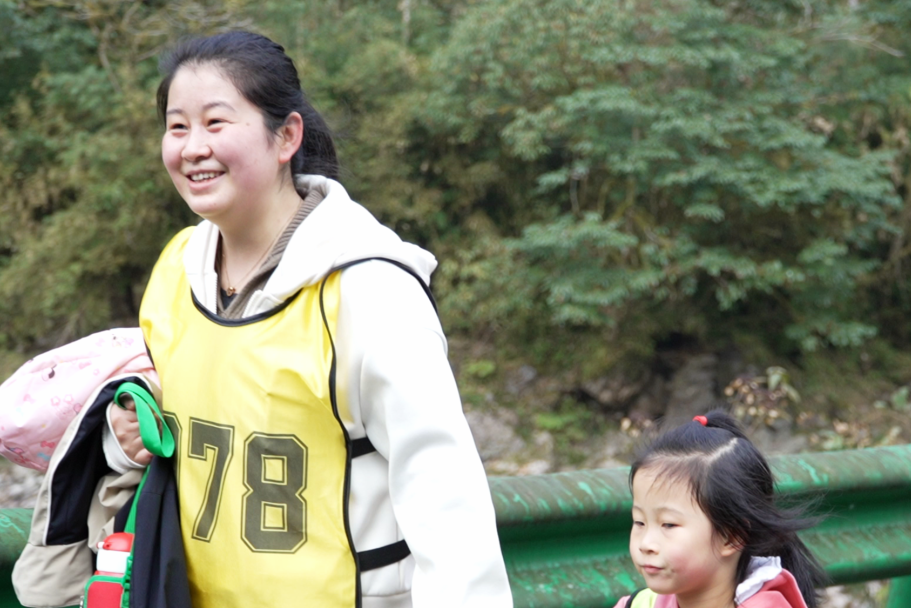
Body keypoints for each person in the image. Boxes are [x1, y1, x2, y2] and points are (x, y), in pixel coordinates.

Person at [103, 30, 512, 608]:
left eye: (216, 123)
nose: (193, 147)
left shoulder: (368, 290)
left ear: (286, 136)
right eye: (177, 126)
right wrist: (127, 436)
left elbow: (447, 505)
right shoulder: (175, 270)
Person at [612, 411, 826, 608]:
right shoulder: (639, 604)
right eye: (639, 522)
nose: (646, 544)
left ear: (731, 537)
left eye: (668, 524)